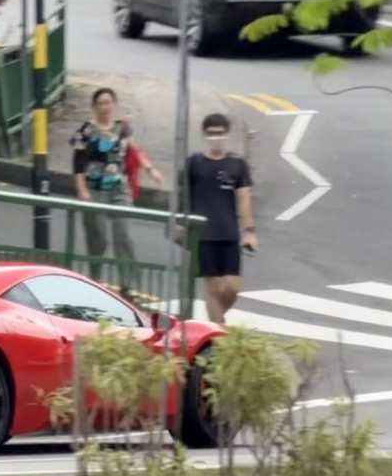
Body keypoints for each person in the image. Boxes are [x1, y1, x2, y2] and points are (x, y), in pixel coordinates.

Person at [72, 88, 163, 295]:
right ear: (94, 107)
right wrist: (82, 190)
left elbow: (135, 151)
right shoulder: (86, 131)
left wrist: (151, 170)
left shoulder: (122, 128)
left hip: (119, 190)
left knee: (123, 236)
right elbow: (77, 164)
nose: (105, 107)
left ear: (114, 104)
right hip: (94, 191)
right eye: (101, 103)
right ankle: (94, 280)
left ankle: (128, 286)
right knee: (98, 240)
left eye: (109, 102)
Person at [183, 112, 258, 325]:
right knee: (213, 287)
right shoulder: (194, 163)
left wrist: (249, 231)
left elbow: (244, 197)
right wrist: (184, 225)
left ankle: (217, 321)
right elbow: (184, 197)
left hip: (229, 234)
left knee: (232, 288)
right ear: (204, 135)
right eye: (211, 134)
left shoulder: (237, 165)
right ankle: (219, 336)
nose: (216, 138)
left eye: (220, 133)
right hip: (203, 236)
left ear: (227, 134)